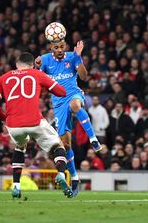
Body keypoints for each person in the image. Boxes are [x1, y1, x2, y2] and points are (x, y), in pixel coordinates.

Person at [0, 52, 72, 199]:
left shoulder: (3, 77)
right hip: (35, 120)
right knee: (58, 146)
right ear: (32, 64)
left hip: (13, 125)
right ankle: (60, 174)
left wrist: (4, 118)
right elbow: (62, 92)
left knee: (20, 147)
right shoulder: (37, 74)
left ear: (16, 64)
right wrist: (47, 79)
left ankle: (16, 186)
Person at [35, 38, 102, 197]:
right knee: (65, 145)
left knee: (75, 105)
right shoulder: (44, 59)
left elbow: (84, 77)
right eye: (56, 47)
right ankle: (75, 178)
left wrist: (78, 57)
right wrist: (36, 68)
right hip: (58, 103)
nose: (60, 49)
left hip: (73, 94)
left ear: (65, 46)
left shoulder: (73, 56)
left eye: (62, 46)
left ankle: (93, 138)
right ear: (51, 47)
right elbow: (38, 81)